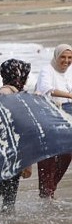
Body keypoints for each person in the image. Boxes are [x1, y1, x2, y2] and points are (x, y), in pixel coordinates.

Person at [0, 59, 33, 213]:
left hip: (15, 146)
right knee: (9, 185)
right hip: (10, 147)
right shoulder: (6, 92)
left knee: (8, 183)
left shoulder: (14, 92)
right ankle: (5, 216)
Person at [34, 44, 72, 199]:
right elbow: (46, 89)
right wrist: (69, 96)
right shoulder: (47, 70)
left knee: (67, 153)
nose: (66, 61)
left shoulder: (71, 71)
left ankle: (50, 188)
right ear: (56, 56)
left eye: (69, 58)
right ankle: (46, 192)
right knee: (49, 154)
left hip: (69, 112)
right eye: (63, 57)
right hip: (49, 112)